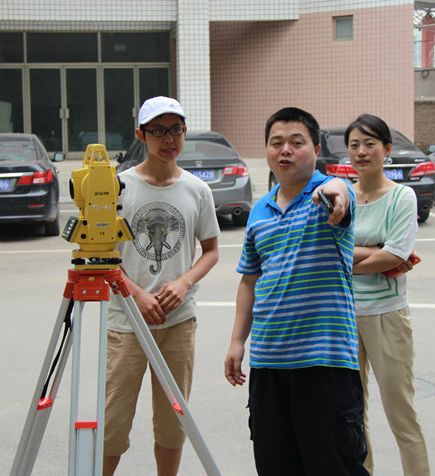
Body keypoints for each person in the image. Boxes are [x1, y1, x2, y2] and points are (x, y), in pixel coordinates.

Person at [224, 107, 368, 475]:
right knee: (275, 465)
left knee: (334, 466)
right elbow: (249, 280)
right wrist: (237, 342)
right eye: (276, 143)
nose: (285, 150)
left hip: (325, 362)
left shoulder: (327, 197)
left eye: (296, 142)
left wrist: (337, 192)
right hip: (268, 362)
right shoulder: (260, 210)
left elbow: (341, 192)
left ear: (316, 149)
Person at [103, 96, 220, 476]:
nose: (169, 139)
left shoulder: (197, 190)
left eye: (176, 129)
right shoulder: (117, 187)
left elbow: (211, 251)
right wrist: (136, 295)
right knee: (113, 423)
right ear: (141, 135)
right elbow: (102, 257)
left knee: (173, 421)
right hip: (126, 324)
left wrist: (184, 282)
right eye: (158, 130)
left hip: (178, 323)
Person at [346, 113, 430, 475]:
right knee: (352, 414)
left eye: (370, 144)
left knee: (401, 414)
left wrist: (350, 259)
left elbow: (395, 255)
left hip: (387, 315)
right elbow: (383, 255)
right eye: (354, 145)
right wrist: (377, 252)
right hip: (344, 316)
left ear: (387, 149)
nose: (361, 152)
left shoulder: (402, 197)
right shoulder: (343, 196)